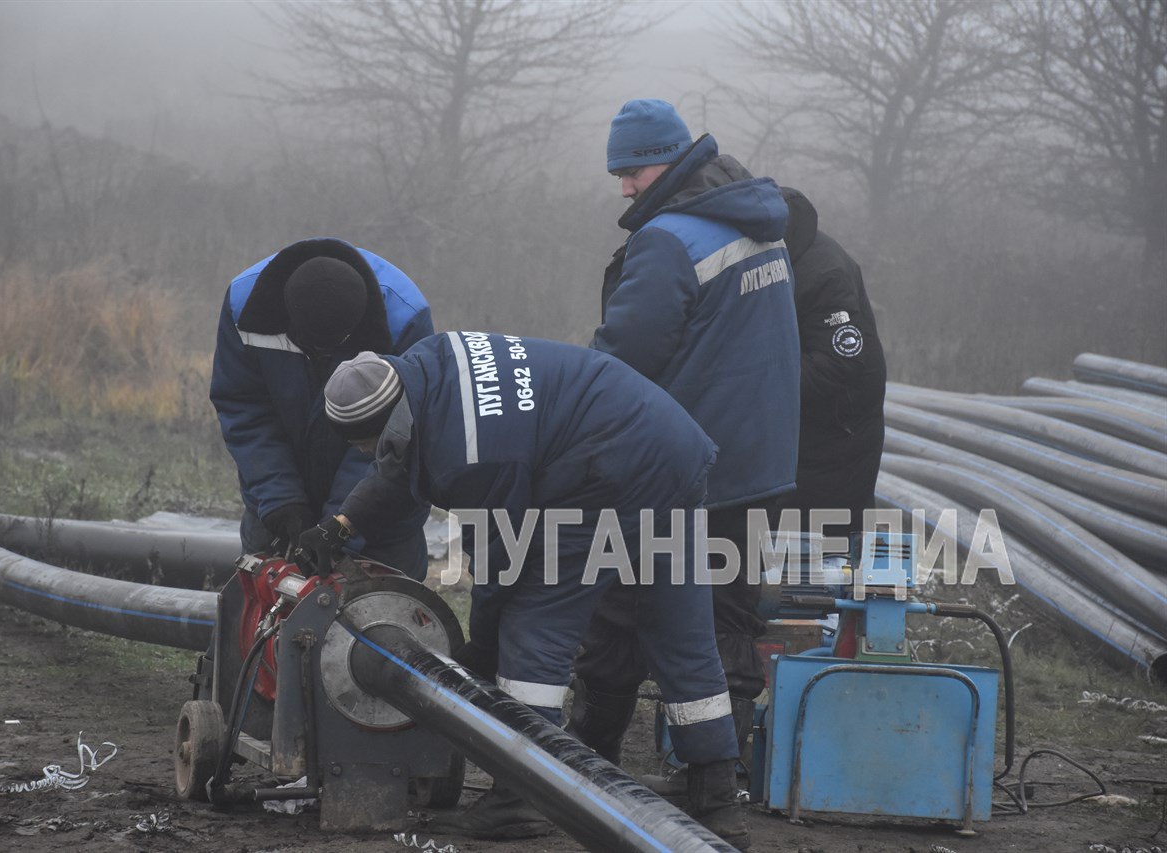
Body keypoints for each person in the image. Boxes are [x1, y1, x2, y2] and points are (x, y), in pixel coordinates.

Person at [306, 335, 751, 848]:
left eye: (362, 443)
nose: (364, 454)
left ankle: (521, 796)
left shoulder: (468, 455)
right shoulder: (426, 365)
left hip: (608, 470)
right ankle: (718, 797)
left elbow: (501, 557)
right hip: (671, 448)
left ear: (390, 420)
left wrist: (484, 642)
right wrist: (340, 524)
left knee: (534, 622)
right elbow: (397, 460)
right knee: (678, 626)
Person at [568, 99, 801, 775]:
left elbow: (623, 357)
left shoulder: (670, 239)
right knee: (729, 621)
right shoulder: (758, 221)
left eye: (635, 170)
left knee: (615, 613)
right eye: (619, 171)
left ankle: (584, 767)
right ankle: (715, 784)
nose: (625, 186)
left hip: (679, 467)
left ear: (670, 160)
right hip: (759, 464)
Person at [209, 238, 433, 580]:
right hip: (274, 511)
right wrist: (280, 499)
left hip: (381, 517)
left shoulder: (404, 318)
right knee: (261, 617)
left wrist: (342, 523)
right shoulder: (245, 306)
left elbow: (397, 435)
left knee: (385, 622)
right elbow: (244, 408)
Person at [776, 187, 887, 542]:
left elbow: (839, 359)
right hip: (808, 433)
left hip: (839, 432)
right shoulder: (788, 258)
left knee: (825, 541)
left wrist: (761, 386)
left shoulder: (824, 272)